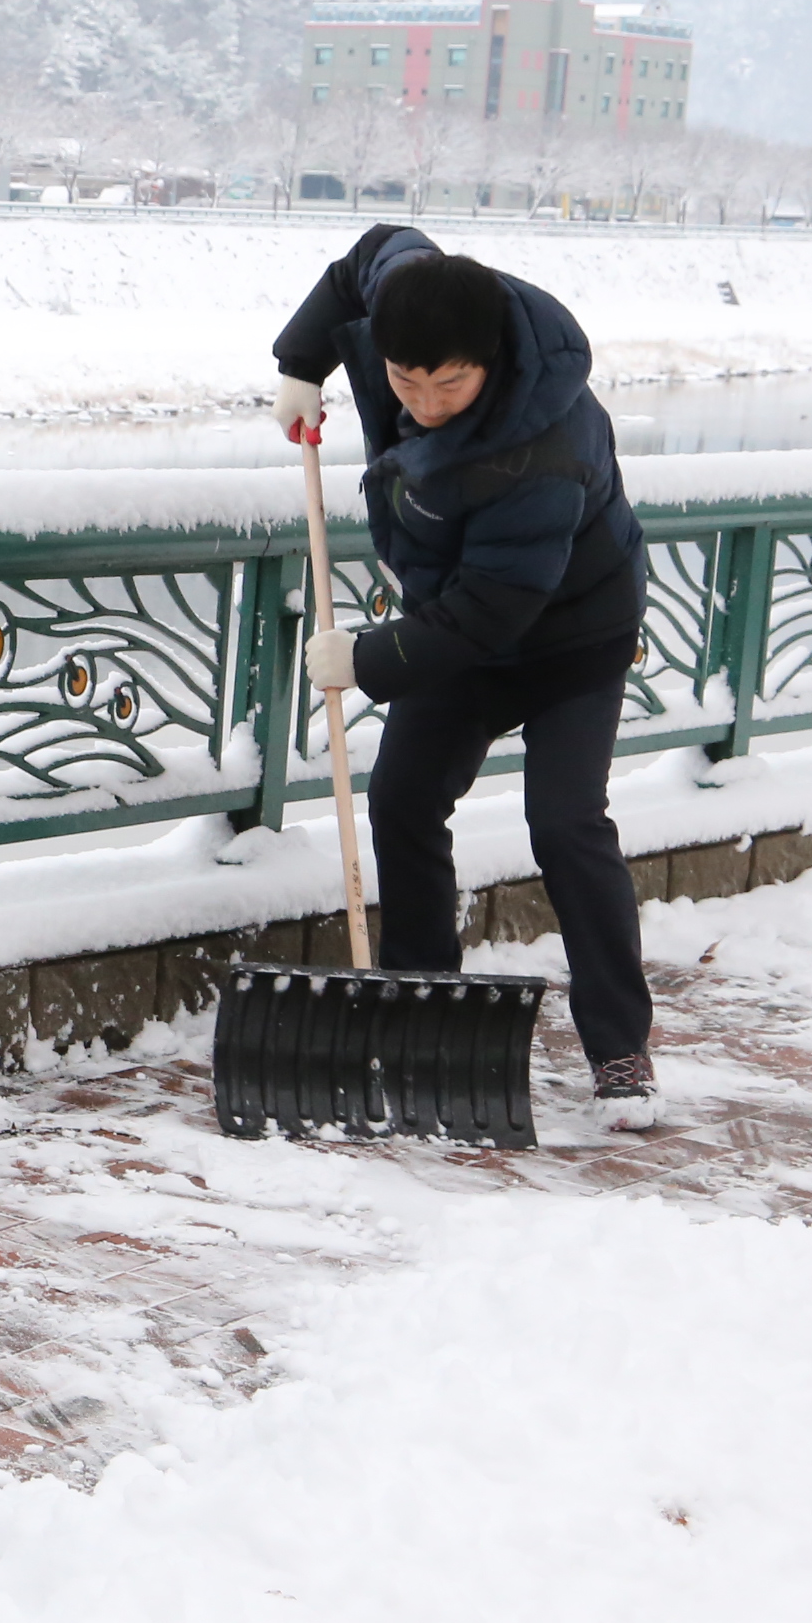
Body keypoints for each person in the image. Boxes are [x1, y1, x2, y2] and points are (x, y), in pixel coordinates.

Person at [269, 224, 662, 1128]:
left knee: (565, 823)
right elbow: (365, 258)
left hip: (566, 637)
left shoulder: (545, 446)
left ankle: (619, 1048)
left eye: (450, 383)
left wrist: (368, 659)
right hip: (457, 619)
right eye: (407, 381)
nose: (427, 402)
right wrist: (302, 361)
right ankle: (424, 1001)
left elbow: (496, 609)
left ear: (489, 361)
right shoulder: (409, 302)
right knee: (403, 798)